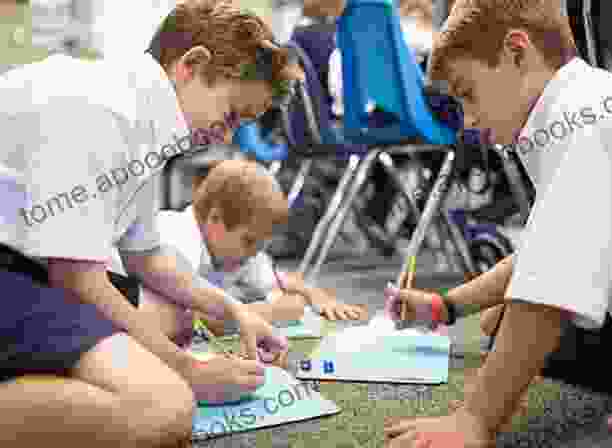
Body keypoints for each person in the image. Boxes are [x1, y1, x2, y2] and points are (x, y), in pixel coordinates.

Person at [0, 1, 302, 446]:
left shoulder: (143, 115)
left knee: (175, 317)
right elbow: (76, 277)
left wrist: (231, 310)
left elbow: (145, 255)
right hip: (18, 270)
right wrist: (188, 372)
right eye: (232, 114)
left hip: (28, 269)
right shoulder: (100, 108)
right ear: (191, 66)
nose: (227, 135)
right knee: (165, 409)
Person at [383, 0, 612, 446]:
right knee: (505, 323)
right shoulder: (581, 105)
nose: (470, 121)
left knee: (524, 321)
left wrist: (474, 420)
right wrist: (446, 307)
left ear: (518, 52)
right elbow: (545, 251)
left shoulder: (584, 122)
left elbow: (547, 294)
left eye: (468, 94)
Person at [144, 158, 365, 346]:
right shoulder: (177, 239)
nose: (253, 254)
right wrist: (266, 313)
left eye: (260, 247)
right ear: (216, 219)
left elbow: (278, 278)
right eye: (249, 242)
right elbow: (180, 320)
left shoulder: (234, 248)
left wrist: (316, 296)